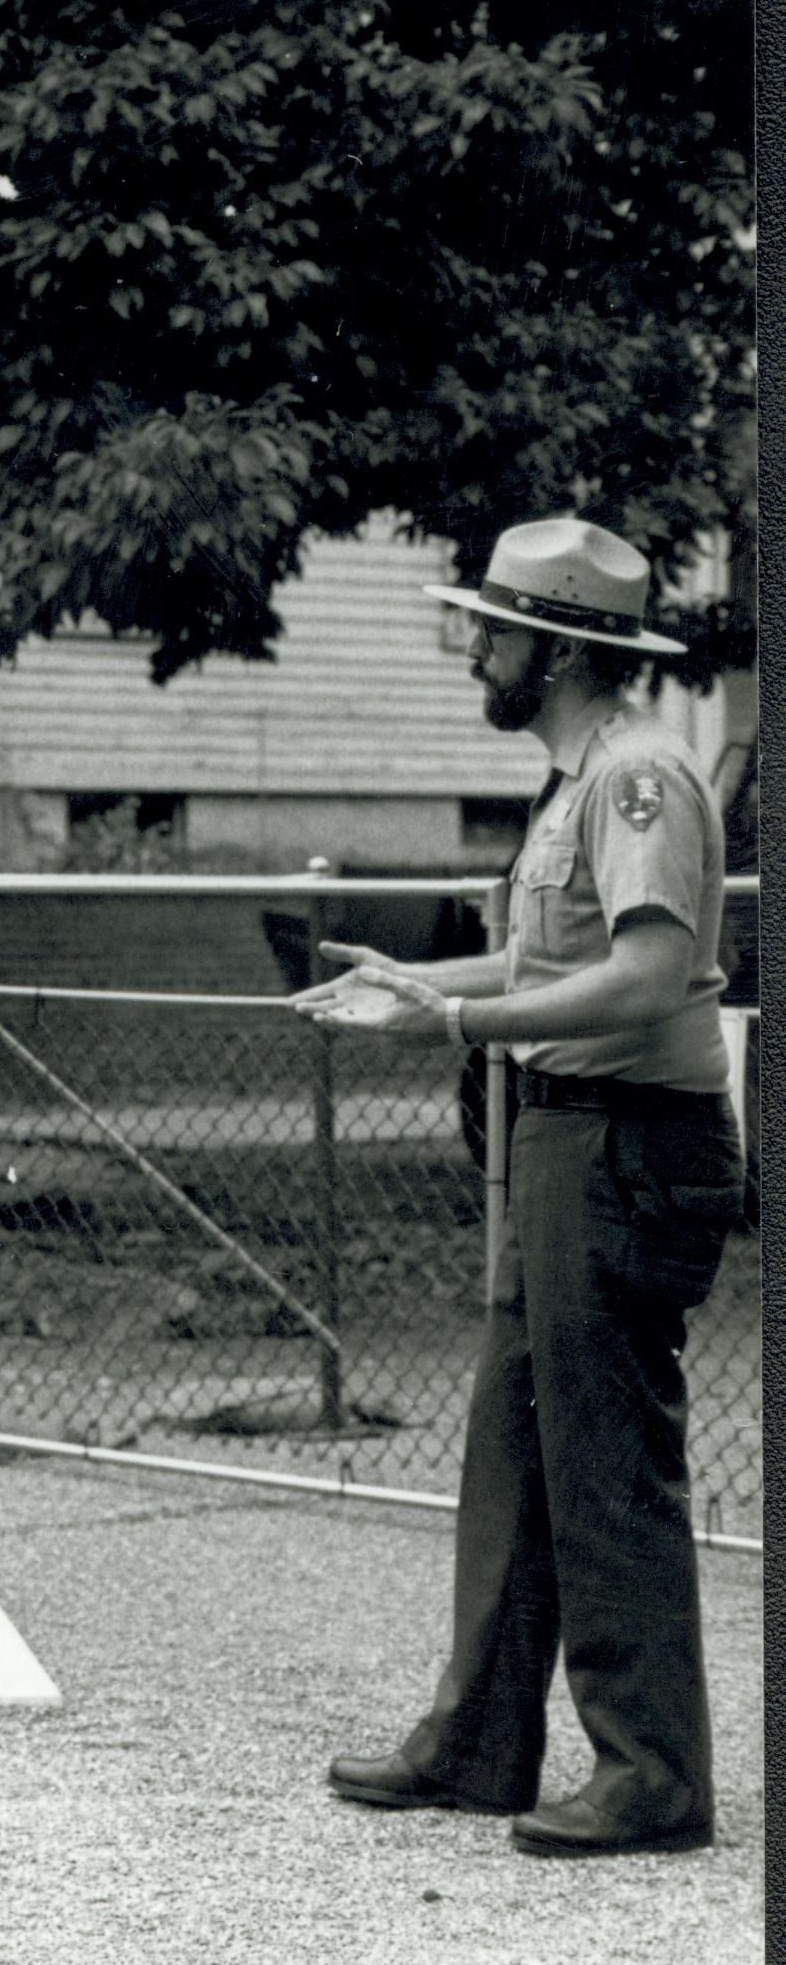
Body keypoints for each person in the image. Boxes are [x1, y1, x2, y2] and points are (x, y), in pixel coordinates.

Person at [296, 516, 741, 1859]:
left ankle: (653, 1771)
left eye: (487, 629)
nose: (470, 647)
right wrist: (422, 985)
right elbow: (550, 967)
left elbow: (650, 978)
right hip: (561, 1140)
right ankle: (481, 1739)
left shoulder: (641, 779)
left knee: (603, 1464)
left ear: (549, 652)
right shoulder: (583, 779)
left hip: (622, 1144)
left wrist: (454, 1028)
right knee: (513, 1447)